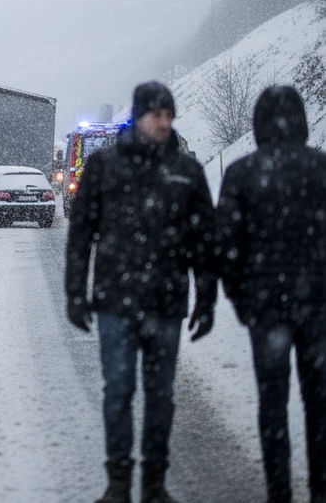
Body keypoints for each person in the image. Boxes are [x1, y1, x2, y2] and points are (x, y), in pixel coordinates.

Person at [65, 81, 217, 503]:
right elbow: (81, 235)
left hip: (166, 301)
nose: (164, 123)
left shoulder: (186, 171)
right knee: (118, 391)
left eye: (169, 116)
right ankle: (118, 483)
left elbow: (204, 240)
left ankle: (154, 484)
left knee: (161, 395)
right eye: (156, 116)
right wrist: (75, 293)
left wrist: (206, 298)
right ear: (138, 118)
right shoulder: (104, 166)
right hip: (115, 301)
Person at [215, 85, 326, 503]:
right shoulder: (321, 168)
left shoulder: (242, 173)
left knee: (273, 403)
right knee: (320, 402)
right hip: (319, 305)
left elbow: (227, 247)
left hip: (266, 309)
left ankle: (279, 491)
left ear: (258, 123)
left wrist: (241, 300)